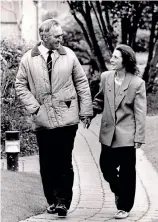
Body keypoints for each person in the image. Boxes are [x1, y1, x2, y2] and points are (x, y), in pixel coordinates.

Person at [15, 19, 93, 217]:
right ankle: (52, 200)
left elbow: (82, 83)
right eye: (57, 36)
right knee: (47, 163)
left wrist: (85, 111)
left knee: (64, 160)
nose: (61, 38)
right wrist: (35, 107)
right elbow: (20, 85)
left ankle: (62, 202)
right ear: (44, 36)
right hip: (42, 118)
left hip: (67, 116)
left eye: (61, 35)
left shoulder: (69, 55)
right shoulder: (28, 58)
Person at [92, 44, 146, 219]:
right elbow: (99, 100)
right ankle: (119, 189)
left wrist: (139, 137)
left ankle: (124, 207)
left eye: (116, 57)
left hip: (127, 136)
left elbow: (140, 113)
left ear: (125, 61)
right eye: (112, 56)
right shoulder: (106, 77)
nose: (111, 60)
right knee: (106, 168)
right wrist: (89, 114)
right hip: (107, 134)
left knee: (127, 172)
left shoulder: (137, 83)